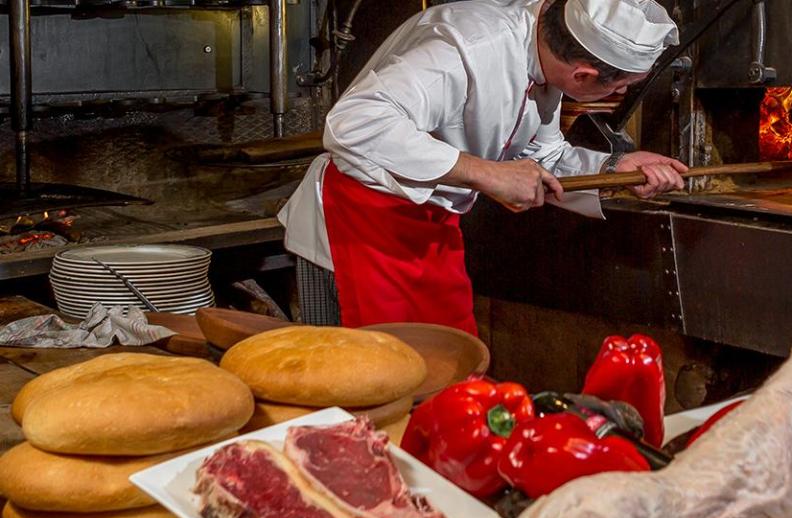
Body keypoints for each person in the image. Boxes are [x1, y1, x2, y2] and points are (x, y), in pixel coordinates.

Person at [279, 0, 687, 335]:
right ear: (583, 75)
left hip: (433, 227)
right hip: (360, 219)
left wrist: (616, 168)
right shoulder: (467, 45)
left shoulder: (547, 56)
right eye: (618, 88)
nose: (618, 97)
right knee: (370, 385)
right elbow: (355, 122)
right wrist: (486, 174)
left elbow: (542, 159)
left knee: (449, 376)